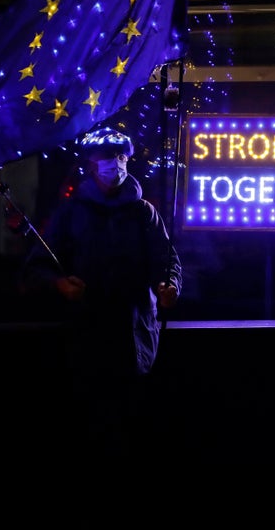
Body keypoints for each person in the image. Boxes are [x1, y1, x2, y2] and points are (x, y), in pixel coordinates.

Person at [21, 126, 182, 489]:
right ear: (91, 165)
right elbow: (37, 266)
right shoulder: (69, 214)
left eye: (122, 157)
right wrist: (59, 284)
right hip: (85, 333)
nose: (116, 165)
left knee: (132, 422)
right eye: (108, 159)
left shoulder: (144, 213)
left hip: (134, 334)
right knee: (87, 423)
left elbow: (167, 260)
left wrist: (169, 285)